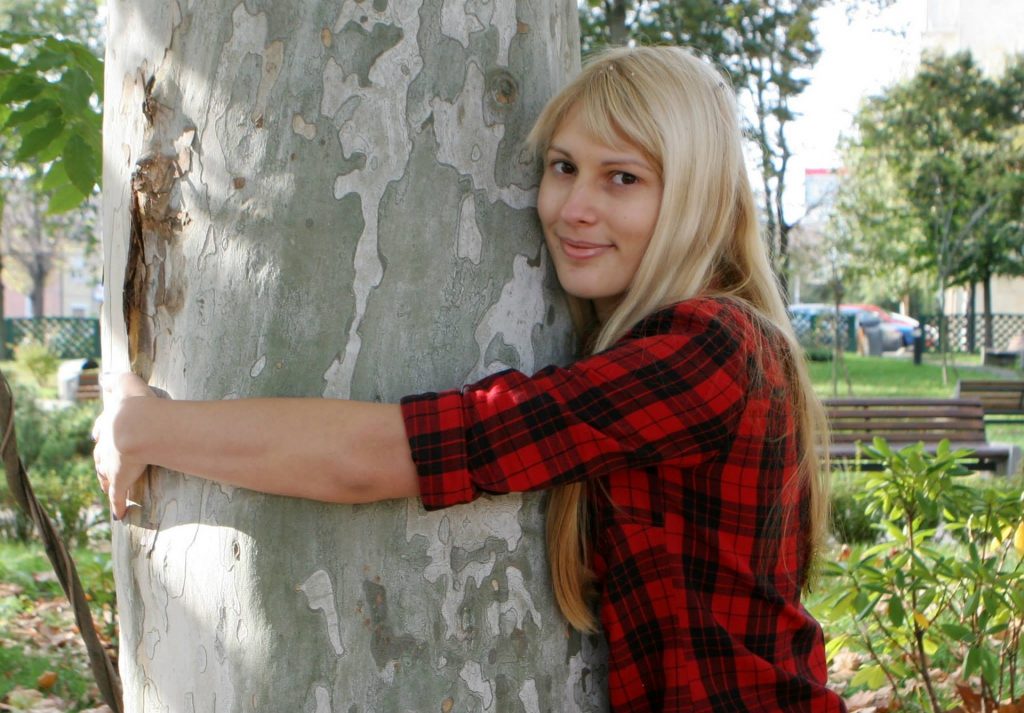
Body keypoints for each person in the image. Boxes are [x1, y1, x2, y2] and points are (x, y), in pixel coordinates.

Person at [93, 46, 845, 712]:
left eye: (623, 177)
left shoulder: (709, 352)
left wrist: (150, 426)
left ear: (694, 196)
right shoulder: (668, 345)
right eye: (563, 167)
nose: (574, 209)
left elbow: (392, 455)